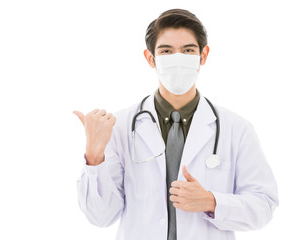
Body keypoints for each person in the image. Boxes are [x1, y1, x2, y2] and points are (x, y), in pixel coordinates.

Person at [73, 9, 279, 240]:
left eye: (188, 50)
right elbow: (100, 217)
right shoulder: (119, 128)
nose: (178, 59)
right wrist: (93, 157)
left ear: (203, 55)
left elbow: (264, 205)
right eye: (166, 51)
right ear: (151, 58)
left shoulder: (236, 128)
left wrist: (212, 201)